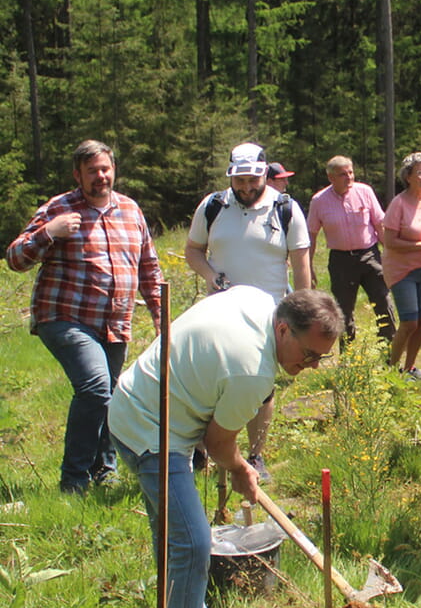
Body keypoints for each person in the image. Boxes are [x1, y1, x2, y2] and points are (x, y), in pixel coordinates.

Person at [109, 287, 343, 608]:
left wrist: (236, 465)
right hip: (149, 427)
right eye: (310, 354)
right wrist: (239, 467)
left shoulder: (257, 298)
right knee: (191, 543)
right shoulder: (251, 372)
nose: (314, 365)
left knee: (174, 537)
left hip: (140, 398)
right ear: (283, 330)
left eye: (322, 357)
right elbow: (217, 444)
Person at [6, 139, 164, 494]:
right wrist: (49, 232)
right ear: (77, 175)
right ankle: (74, 480)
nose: (101, 176)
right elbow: (15, 258)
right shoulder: (59, 208)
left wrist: (160, 314)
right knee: (94, 387)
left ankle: (103, 470)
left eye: (105, 169)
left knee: (110, 393)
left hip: (114, 324)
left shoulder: (130, 210)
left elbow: (149, 269)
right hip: (65, 318)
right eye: (92, 171)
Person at [185, 142, 311, 483]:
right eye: (239, 181)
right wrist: (210, 275)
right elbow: (193, 250)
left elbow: (301, 262)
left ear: (263, 174)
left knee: (262, 387)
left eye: (252, 181)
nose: (245, 188)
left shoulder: (285, 208)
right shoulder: (212, 206)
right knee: (211, 382)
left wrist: (302, 308)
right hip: (219, 311)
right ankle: (201, 451)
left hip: (269, 315)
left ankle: (255, 455)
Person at [308, 155, 397, 345]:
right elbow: (311, 235)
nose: (348, 177)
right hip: (341, 261)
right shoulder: (319, 201)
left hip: (370, 255)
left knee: (383, 302)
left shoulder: (365, 192)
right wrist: (308, 267)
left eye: (350, 172)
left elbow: (379, 224)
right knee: (343, 311)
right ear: (331, 177)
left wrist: (389, 256)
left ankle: (391, 354)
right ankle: (348, 359)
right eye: (342, 174)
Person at [382, 152, 421, 379]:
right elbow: (390, 242)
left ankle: (409, 369)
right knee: (409, 322)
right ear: (408, 176)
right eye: (420, 172)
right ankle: (390, 369)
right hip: (402, 270)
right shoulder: (398, 203)